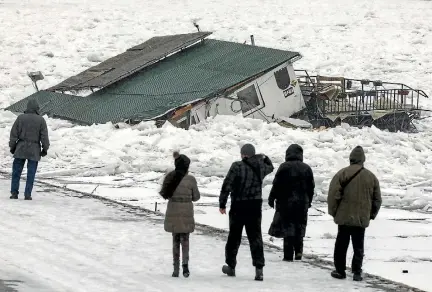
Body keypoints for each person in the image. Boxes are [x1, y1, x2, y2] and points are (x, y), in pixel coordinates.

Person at [219, 143, 274, 281]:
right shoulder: (260, 167)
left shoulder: (236, 166)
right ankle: (259, 269)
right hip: (255, 206)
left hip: (239, 206)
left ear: (243, 154)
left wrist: (222, 203)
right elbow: (271, 167)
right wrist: (264, 157)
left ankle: (231, 266)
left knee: (234, 237)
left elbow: (227, 185)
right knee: (255, 237)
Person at [327, 146, 382, 282]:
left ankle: (340, 270)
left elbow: (333, 195)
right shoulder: (371, 177)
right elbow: (377, 199)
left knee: (341, 244)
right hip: (360, 218)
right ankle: (357, 272)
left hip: (344, 217)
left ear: (350, 158)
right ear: (363, 159)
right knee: (358, 246)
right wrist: (371, 214)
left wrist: (334, 212)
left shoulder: (342, 174)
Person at [268, 144, 315, 261]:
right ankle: (299, 252)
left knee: (288, 229)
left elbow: (276, 184)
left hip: (286, 203)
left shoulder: (284, 167)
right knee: (299, 227)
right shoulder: (306, 168)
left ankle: (288, 255)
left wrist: (271, 198)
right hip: (302, 203)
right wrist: (309, 201)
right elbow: (311, 187)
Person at [160, 153, 200, 278]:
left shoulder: (170, 177)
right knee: (185, 240)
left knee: (175, 240)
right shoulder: (191, 179)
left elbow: (165, 194)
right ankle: (185, 266)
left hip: (173, 211)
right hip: (186, 212)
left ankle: (175, 269)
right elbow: (196, 197)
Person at [9, 99, 50, 200]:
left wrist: (12, 146)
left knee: (16, 172)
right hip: (34, 149)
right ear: (37, 108)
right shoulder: (41, 120)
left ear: (27, 107)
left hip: (21, 147)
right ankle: (27, 194)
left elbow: (14, 134)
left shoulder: (20, 118)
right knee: (31, 173)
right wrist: (45, 149)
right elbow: (44, 137)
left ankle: (14, 193)